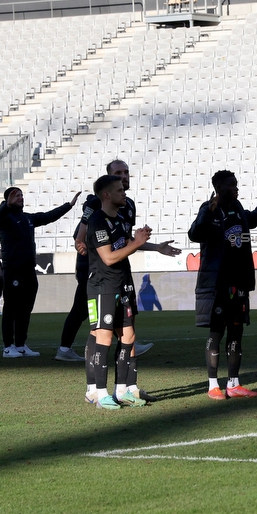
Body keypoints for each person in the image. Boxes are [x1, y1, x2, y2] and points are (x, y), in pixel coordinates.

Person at [64, 159, 179, 363]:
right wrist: (80, 244)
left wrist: (156, 247)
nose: (124, 176)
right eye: (118, 173)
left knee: (124, 314)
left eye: (126, 172)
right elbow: (81, 237)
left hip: (119, 267)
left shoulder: (128, 204)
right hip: (96, 268)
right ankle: (70, 353)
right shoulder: (95, 204)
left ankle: (127, 349)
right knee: (87, 313)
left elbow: (126, 240)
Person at [189, 167, 257, 400]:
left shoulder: (237, 209)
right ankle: (213, 384)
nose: (236, 188)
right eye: (232, 185)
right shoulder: (209, 209)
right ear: (219, 188)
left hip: (239, 282)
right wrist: (207, 212)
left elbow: (255, 218)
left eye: (236, 184)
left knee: (236, 331)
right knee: (217, 332)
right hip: (217, 283)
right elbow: (194, 234)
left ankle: (234, 383)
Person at [84, 174, 152, 409]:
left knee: (129, 337)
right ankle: (100, 394)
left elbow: (127, 243)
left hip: (123, 284)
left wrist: (154, 246)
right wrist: (137, 243)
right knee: (103, 337)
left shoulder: (122, 218)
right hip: (103, 286)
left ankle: (122, 390)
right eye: (119, 190)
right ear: (106, 195)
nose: (124, 192)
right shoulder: (97, 221)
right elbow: (109, 257)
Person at [0, 187, 80, 358]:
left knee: (25, 308)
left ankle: (20, 344)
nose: (20, 197)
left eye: (21, 195)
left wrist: (68, 206)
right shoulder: (4, 217)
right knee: (11, 308)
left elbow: (48, 217)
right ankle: (7, 347)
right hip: (13, 269)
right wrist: (5, 204)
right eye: (16, 195)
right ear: (8, 199)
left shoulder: (27, 218)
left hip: (28, 269)